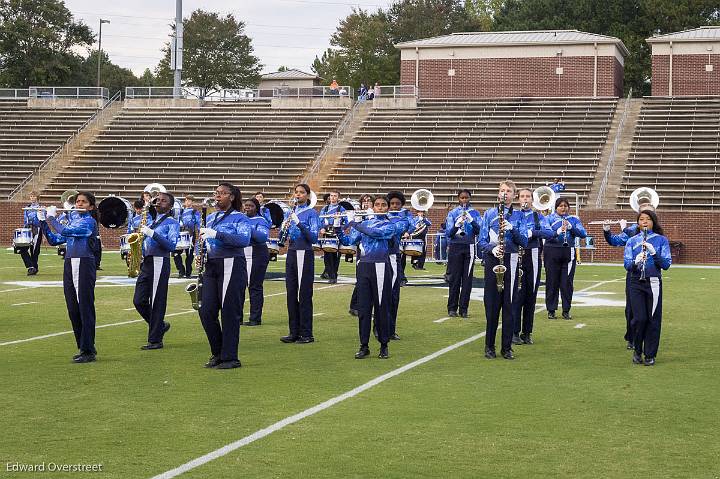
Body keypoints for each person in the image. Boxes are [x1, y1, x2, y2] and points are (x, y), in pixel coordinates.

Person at [39, 192, 99, 363]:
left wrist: (51, 218)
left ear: (91, 207)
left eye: (83, 202)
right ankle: (83, 347)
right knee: (73, 308)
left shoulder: (89, 221)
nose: (79, 204)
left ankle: (88, 350)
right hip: (70, 262)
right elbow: (54, 240)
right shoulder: (73, 220)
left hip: (84, 263)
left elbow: (64, 230)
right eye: (77, 201)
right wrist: (43, 221)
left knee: (85, 307)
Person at [197, 183, 252, 369]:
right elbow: (203, 240)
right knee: (206, 311)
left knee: (229, 312)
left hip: (232, 264)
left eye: (222, 193)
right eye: (216, 193)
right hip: (212, 265)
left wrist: (217, 234)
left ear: (232, 197)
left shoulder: (240, 218)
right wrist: (200, 252)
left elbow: (243, 240)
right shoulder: (210, 217)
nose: (217, 196)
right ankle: (218, 352)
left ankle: (230, 357)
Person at [338, 196, 395, 359]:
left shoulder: (389, 224)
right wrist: (338, 228)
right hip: (364, 266)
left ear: (387, 209)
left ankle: (384, 345)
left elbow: (376, 233)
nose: (380, 207)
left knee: (381, 307)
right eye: (377, 205)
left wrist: (356, 223)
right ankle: (364, 345)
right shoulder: (364, 224)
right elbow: (349, 240)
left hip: (380, 266)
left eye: (384, 205)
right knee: (363, 309)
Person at [479, 181, 528, 360]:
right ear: (498, 194)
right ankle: (489, 346)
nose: (505, 193)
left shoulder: (519, 216)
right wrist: (492, 248)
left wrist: (512, 229)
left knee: (509, 304)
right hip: (493, 259)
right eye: (502, 191)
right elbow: (481, 241)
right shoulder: (490, 214)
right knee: (491, 305)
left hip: (512, 259)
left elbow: (524, 241)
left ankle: (506, 347)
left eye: (508, 191)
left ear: (514, 195)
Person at [133, 192, 180, 350]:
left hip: (160, 261)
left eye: (163, 201)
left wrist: (152, 234)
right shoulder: (150, 220)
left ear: (170, 206)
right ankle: (159, 325)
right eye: (157, 200)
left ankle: (155, 340)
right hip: (147, 261)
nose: (159, 202)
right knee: (138, 300)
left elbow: (171, 245)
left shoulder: (172, 223)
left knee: (157, 301)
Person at [624, 210, 671, 366]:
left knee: (652, 319)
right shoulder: (632, 241)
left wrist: (653, 252)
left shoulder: (661, 240)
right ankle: (637, 350)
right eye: (641, 219)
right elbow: (627, 265)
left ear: (653, 222)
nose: (644, 221)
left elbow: (666, 265)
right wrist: (635, 262)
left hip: (653, 282)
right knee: (639, 318)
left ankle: (650, 354)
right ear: (638, 223)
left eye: (648, 219)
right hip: (635, 282)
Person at [512, 188, 554, 345]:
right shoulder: (513, 215)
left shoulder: (538, 216)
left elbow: (550, 233)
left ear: (532, 199)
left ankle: (527, 332)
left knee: (531, 294)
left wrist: (533, 232)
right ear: (518, 199)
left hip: (533, 255)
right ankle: (514, 331)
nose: (525, 199)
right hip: (516, 255)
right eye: (522, 196)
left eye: (528, 196)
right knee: (516, 295)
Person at [281, 184, 320, 344]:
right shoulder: (292, 212)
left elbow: (314, 238)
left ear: (308, 195)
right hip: (292, 252)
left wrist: (299, 224)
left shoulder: (312, 213)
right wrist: (285, 228)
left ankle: (306, 333)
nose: (298, 195)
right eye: (296, 192)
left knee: (304, 294)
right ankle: (293, 331)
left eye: (301, 193)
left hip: (304, 252)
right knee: (291, 293)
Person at [544, 197, 587, 320]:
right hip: (551, 251)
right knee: (552, 282)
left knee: (566, 283)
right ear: (556, 207)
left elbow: (583, 233)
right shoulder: (549, 218)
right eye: (561, 206)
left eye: (566, 206)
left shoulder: (573, 219)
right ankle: (551, 310)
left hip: (568, 252)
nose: (563, 208)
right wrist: (557, 231)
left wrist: (571, 228)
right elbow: (546, 234)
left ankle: (566, 310)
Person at [444, 189, 482, 318]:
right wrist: (456, 225)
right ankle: (452, 308)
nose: (464, 200)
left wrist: (471, 221)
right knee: (454, 279)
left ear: (470, 198)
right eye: (462, 198)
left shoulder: (475, 213)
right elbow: (448, 233)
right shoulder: (453, 213)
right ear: (458, 199)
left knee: (467, 280)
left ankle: (464, 308)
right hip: (455, 246)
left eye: (466, 198)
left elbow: (479, 231)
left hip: (469, 247)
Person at [242, 198, 271, 326]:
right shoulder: (241, 218)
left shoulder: (261, 220)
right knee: (240, 286)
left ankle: (255, 317)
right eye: (246, 205)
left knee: (254, 286)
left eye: (251, 206)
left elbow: (262, 237)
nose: (247, 208)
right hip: (243, 252)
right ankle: (238, 316)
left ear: (256, 208)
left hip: (257, 253)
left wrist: (248, 227)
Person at [386, 191, 411, 341]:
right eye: (392, 204)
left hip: (394, 257)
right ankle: (379, 327)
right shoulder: (379, 217)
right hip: (378, 258)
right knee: (380, 295)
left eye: (397, 204)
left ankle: (391, 329)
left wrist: (404, 215)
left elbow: (410, 226)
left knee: (394, 296)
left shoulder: (404, 218)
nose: (394, 206)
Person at [349, 193, 373, 316]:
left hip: (374, 252)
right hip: (362, 251)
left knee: (368, 281)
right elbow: (353, 237)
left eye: (369, 200)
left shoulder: (374, 216)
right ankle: (355, 306)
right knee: (361, 280)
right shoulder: (360, 216)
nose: (366, 202)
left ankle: (356, 306)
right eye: (364, 200)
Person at [319, 191, 345, 284]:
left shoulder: (341, 208)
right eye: (331, 196)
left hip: (337, 235)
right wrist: (321, 228)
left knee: (336, 257)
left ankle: (334, 274)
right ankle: (331, 275)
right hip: (327, 234)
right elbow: (320, 220)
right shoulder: (325, 209)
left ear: (338, 198)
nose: (333, 197)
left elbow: (346, 221)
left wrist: (340, 228)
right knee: (327, 257)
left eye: (335, 196)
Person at [174, 195, 200, 278]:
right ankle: (181, 270)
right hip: (181, 234)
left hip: (191, 235)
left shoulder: (195, 212)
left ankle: (188, 272)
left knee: (190, 254)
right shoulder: (181, 212)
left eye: (190, 200)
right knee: (176, 254)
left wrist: (196, 234)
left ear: (192, 202)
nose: (188, 202)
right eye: (187, 200)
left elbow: (197, 224)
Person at [19, 191, 43, 275]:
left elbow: (42, 219)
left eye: (34, 196)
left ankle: (34, 268)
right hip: (28, 230)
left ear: (37, 197)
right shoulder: (27, 208)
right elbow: (25, 220)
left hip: (37, 229)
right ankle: (31, 266)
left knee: (35, 250)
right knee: (22, 248)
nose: (32, 198)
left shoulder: (41, 207)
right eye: (31, 196)